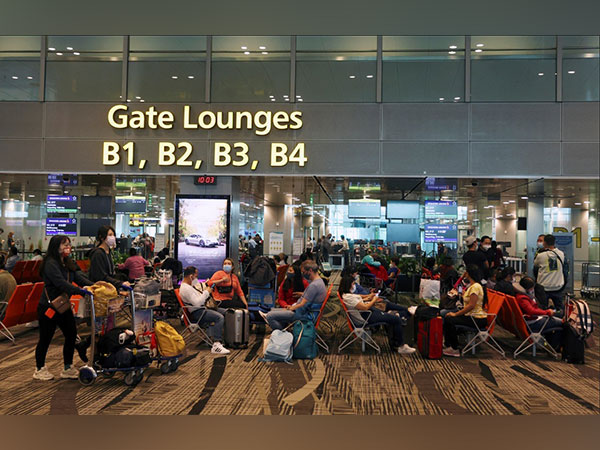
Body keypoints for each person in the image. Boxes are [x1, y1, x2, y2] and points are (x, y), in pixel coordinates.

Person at [34, 235, 94, 380]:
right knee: (45, 338)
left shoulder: (67, 262)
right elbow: (60, 283)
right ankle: (39, 368)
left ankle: (67, 367)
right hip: (48, 307)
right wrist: (80, 291)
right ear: (56, 246)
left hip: (63, 306)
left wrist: (92, 286)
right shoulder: (50, 263)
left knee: (71, 334)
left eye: (68, 244)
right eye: (63, 244)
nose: (67, 247)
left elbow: (78, 278)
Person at [338, 275, 416, 354]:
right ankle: (401, 346)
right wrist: (374, 300)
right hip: (366, 316)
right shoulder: (349, 298)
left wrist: (369, 297)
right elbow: (365, 307)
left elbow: (359, 299)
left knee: (392, 315)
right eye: (353, 284)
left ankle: (401, 313)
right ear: (348, 285)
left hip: (367, 314)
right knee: (396, 319)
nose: (354, 285)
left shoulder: (347, 295)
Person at [261, 260, 326, 330]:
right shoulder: (319, 282)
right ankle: (282, 330)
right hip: (304, 312)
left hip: (303, 314)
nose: (303, 274)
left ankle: (282, 333)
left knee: (270, 316)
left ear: (310, 270)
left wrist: (292, 308)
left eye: (304, 272)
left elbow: (302, 305)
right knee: (272, 310)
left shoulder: (314, 285)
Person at [179, 266, 230, 354]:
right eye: (196, 275)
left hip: (201, 309)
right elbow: (197, 303)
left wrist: (205, 291)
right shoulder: (185, 289)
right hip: (198, 313)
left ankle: (225, 339)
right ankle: (216, 344)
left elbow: (198, 299)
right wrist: (206, 292)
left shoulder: (189, 287)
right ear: (191, 276)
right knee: (219, 318)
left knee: (227, 312)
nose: (197, 278)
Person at [442, 265, 489, 357]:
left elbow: (471, 305)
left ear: (469, 273)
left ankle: (454, 347)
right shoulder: (473, 286)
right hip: (472, 316)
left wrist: (456, 314)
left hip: (477, 318)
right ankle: (450, 344)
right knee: (448, 317)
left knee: (449, 319)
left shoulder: (475, 287)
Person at [516, 276, 562, 349]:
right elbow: (531, 311)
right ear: (527, 288)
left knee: (558, 320)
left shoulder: (520, 295)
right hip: (533, 323)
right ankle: (554, 346)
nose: (533, 290)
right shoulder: (523, 298)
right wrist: (547, 312)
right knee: (563, 323)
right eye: (532, 288)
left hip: (530, 321)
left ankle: (551, 345)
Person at [88, 225, 129, 290]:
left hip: (108, 289)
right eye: (110, 235)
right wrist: (120, 283)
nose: (112, 237)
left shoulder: (108, 252)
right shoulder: (98, 254)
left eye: (113, 235)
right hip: (100, 291)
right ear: (102, 237)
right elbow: (101, 276)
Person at [534, 234, 565, 317]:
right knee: (560, 310)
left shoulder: (540, 256)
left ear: (545, 243)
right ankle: (561, 323)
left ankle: (545, 324)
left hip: (544, 287)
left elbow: (535, 265)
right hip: (558, 286)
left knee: (542, 310)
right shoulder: (561, 254)